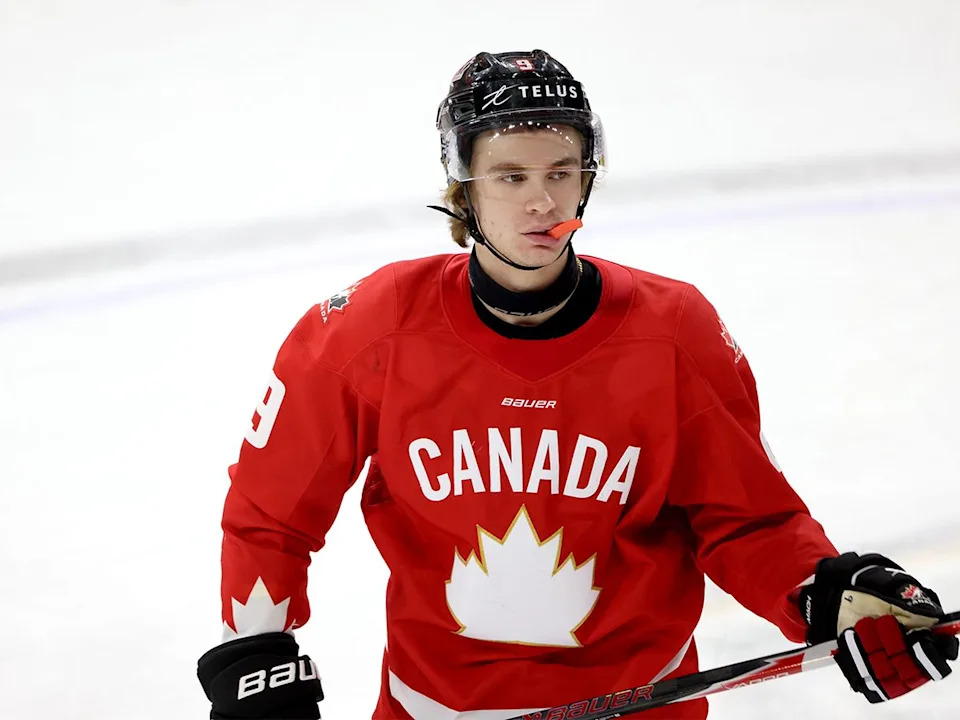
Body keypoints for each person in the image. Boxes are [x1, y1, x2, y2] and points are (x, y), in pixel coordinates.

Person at [196, 50, 956, 719]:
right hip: (434, 711)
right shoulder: (370, 330)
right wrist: (255, 652)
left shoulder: (673, 331)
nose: (543, 202)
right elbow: (271, 508)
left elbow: (745, 518)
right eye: (511, 176)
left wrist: (825, 595)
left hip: (645, 708)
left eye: (562, 172)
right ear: (464, 185)